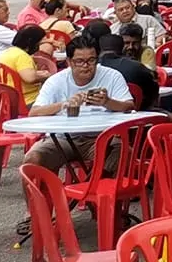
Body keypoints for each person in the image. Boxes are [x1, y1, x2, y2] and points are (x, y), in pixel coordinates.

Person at [24, 37, 135, 174]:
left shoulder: (112, 76)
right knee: (33, 158)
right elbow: (34, 112)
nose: (86, 65)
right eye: (79, 61)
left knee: (123, 152)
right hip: (62, 138)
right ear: (69, 62)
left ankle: (96, 189)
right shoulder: (56, 81)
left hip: (100, 138)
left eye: (91, 60)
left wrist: (108, 102)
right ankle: (43, 195)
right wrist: (64, 104)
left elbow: (129, 106)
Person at [101, 25, 161, 112]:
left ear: (141, 42)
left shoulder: (145, 52)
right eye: (126, 43)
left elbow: (151, 78)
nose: (130, 47)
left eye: (135, 43)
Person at [0, 24, 54, 105]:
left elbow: (18, 73)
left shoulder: (8, 52)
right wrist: (44, 75)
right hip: (28, 100)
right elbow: (30, 78)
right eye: (38, 44)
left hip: (11, 98)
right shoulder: (22, 56)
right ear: (32, 43)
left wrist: (37, 73)